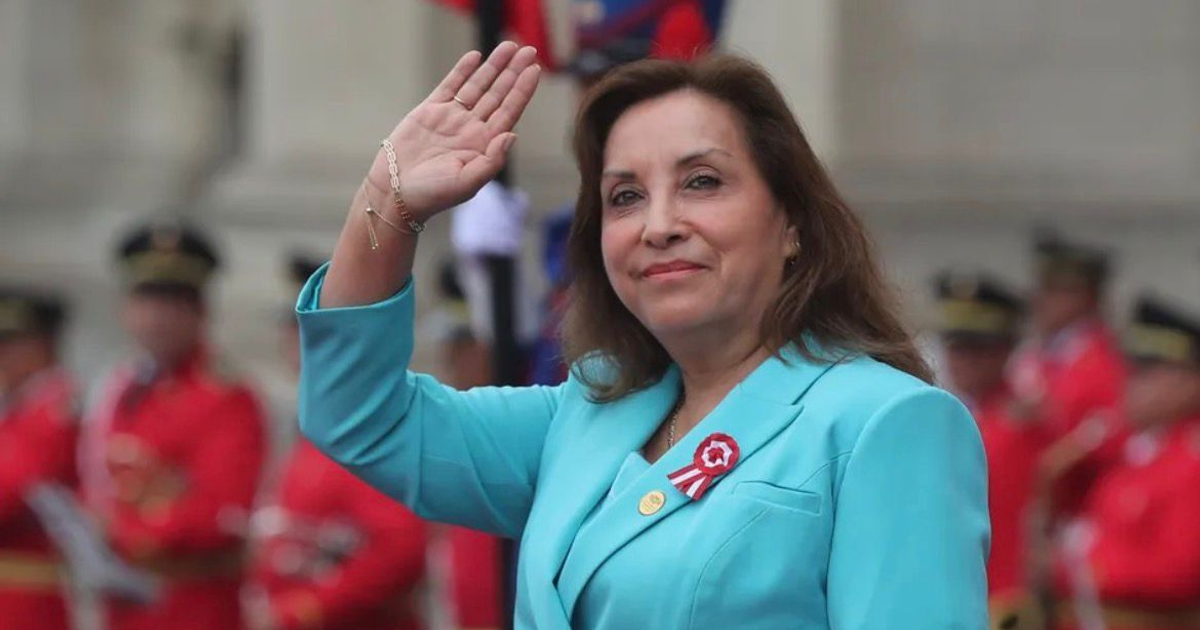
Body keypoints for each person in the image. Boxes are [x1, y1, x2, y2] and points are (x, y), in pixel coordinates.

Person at [296, 42, 988, 630]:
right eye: (625, 196)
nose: (659, 224)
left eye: (702, 182)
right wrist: (385, 203)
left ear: (792, 224)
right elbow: (362, 416)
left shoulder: (887, 423)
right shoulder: (587, 414)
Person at [81, 220, 267, 630]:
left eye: (173, 303)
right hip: (125, 606)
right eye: (145, 301)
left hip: (194, 606)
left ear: (201, 311)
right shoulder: (121, 389)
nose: (156, 318)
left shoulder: (227, 397)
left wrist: (126, 533)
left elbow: (222, 511)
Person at [243, 254, 429, 630]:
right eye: (293, 331)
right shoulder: (309, 426)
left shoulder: (371, 424)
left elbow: (399, 554)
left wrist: (304, 609)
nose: (297, 345)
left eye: (311, 332)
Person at [1052, 296, 1200, 630]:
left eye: (1147, 374)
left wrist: (1087, 561)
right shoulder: (1131, 456)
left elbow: (1182, 573)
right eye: (1130, 371)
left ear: (1190, 381)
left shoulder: (1191, 464)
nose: (1129, 385)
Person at [934, 272, 1051, 630]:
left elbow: (1013, 531)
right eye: (956, 346)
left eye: (978, 349)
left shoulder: (1019, 428)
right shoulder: (951, 414)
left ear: (1006, 350)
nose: (963, 360)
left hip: (997, 604)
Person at [0, 288, 77, 630]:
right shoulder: (14, 409)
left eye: (13, 343)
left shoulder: (56, 411)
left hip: (28, 597)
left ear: (45, 346)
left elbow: (11, 490)